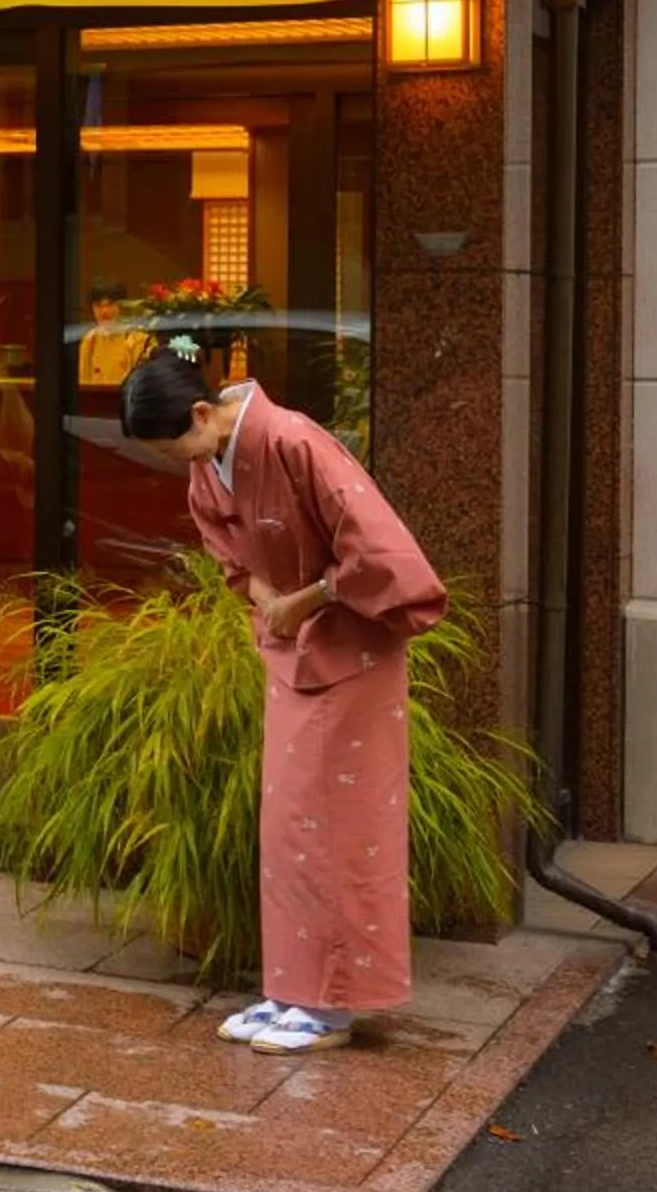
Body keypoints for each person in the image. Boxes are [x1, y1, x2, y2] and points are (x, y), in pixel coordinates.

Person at [120, 353, 446, 1056]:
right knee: (294, 827)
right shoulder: (213, 462)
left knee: (341, 825)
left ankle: (332, 1007)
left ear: (202, 414)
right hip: (295, 652)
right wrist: (268, 600)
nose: (177, 462)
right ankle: (293, 991)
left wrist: (308, 598)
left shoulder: (294, 441)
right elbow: (231, 554)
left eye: (174, 444)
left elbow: (379, 549)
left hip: (352, 654)